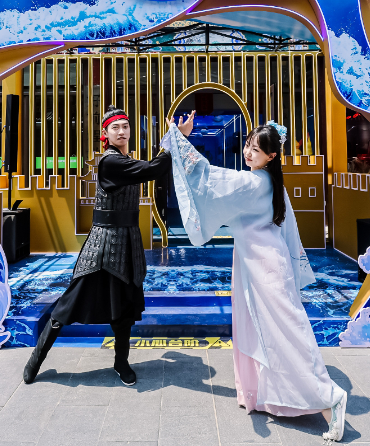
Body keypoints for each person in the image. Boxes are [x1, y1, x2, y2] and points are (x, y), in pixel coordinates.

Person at [162, 112, 348, 441]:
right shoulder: (271, 183)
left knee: (285, 334)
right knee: (269, 331)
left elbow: (207, 176)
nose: (248, 153)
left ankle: (329, 397)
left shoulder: (254, 183)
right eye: (248, 146)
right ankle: (265, 394)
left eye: (256, 150)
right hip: (262, 263)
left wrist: (178, 138)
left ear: (271, 156)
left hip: (264, 268)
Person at [24, 105, 172, 386]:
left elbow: (152, 168)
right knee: (67, 306)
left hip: (128, 243)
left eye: (125, 126)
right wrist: (175, 138)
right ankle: (35, 360)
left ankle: (121, 363)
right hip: (103, 246)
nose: (121, 131)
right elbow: (155, 169)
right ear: (105, 134)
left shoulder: (126, 161)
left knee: (124, 310)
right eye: (115, 128)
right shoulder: (110, 162)